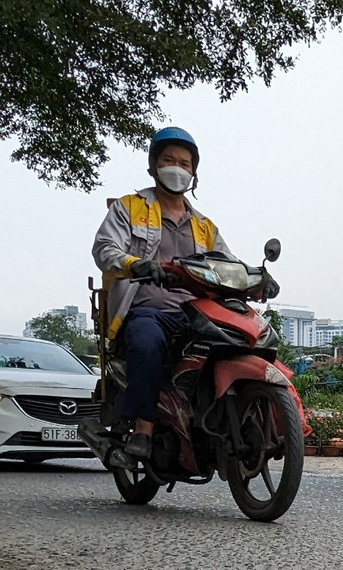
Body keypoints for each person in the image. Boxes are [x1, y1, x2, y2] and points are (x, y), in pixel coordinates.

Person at [92, 126, 231, 465]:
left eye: (184, 163)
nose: (177, 168)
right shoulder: (129, 208)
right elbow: (104, 248)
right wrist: (137, 264)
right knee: (147, 341)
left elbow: (228, 263)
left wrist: (258, 279)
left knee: (235, 341)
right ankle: (143, 428)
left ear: (193, 173)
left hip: (196, 315)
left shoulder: (204, 226)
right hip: (146, 311)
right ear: (153, 166)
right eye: (169, 159)